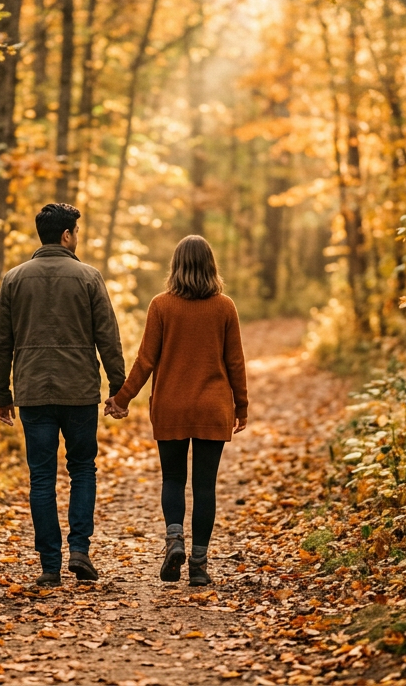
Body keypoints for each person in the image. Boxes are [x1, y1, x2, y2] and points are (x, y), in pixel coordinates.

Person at [0, 203, 126, 587]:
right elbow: (108, 337)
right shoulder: (88, 276)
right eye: (77, 233)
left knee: (41, 478)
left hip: (32, 392)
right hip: (79, 391)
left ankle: (50, 566)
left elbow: (1, 344)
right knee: (82, 469)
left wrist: (3, 394)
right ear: (67, 235)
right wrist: (119, 389)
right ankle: (79, 550)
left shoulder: (14, 279)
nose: (77, 238)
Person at [105, 235, 248, 587]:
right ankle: (198, 566)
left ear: (176, 266)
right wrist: (241, 406)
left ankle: (174, 541)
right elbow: (235, 362)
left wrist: (122, 398)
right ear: (211, 265)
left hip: (170, 405)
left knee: (172, 479)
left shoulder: (161, 305)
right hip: (212, 406)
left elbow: (146, 360)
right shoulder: (225, 307)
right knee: (204, 486)